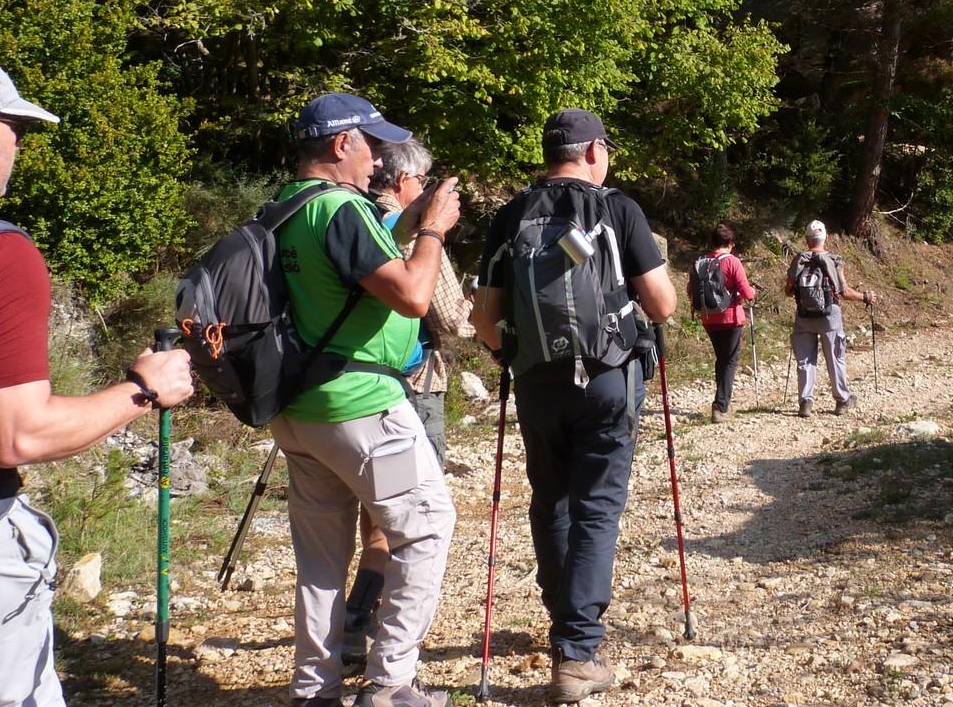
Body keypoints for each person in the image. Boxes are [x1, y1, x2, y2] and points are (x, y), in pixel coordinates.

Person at [0, 59, 195, 707]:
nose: (20, 145)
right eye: (13, 127)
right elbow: (18, 435)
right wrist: (143, 389)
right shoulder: (0, 255)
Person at [472, 108, 677, 705]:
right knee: (597, 507)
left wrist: (511, 353)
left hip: (537, 381)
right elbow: (662, 304)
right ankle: (578, 651)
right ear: (592, 152)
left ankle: (562, 615)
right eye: (606, 147)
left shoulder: (512, 214)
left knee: (551, 498)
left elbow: (483, 317)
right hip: (609, 379)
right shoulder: (619, 210)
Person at [270, 93, 463, 707]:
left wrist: (411, 221)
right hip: (363, 409)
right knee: (426, 528)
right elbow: (412, 295)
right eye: (371, 145)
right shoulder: (340, 207)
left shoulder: (286, 206)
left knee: (321, 559)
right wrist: (433, 229)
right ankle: (390, 682)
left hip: (299, 409)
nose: (379, 159)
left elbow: (352, 270)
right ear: (340, 143)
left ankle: (314, 687)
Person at [341, 137, 476, 665]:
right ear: (404, 181)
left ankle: (349, 623)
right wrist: (477, 307)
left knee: (365, 515)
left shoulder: (350, 217)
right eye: (422, 179)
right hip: (407, 390)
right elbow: (448, 316)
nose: (425, 188)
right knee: (407, 518)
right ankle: (366, 628)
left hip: (342, 389)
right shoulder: (411, 230)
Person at [784, 220, 874, 418]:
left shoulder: (800, 260)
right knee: (835, 357)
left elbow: (788, 292)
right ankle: (842, 400)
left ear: (807, 240)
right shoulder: (833, 260)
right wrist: (865, 297)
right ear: (825, 237)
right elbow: (844, 292)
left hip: (804, 316)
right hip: (829, 316)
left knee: (805, 360)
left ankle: (805, 403)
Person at [686, 223, 755, 423]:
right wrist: (753, 292)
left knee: (722, 359)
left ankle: (722, 402)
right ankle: (721, 407)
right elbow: (746, 292)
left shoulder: (701, 261)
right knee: (729, 361)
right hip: (731, 319)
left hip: (708, 318)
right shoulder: (732, 262)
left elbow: (689, 290)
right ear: (730, 242)